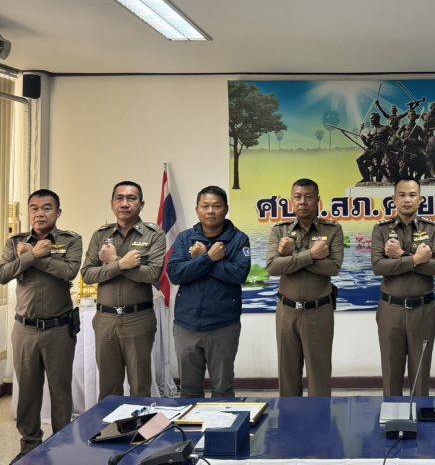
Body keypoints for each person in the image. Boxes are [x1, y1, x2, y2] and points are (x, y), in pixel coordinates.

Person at [0, 190, 81, 463]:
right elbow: (3, 274)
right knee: (28, 392)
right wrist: (31, 255)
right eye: (34, 208)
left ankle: (61, 446)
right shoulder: (16, 242)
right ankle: (29, 447)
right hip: (25, 329)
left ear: (58, 212)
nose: (39, 213)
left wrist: (35, 258)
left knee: (60, 391)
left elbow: (69, 271)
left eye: (47, 208)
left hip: (59, 329)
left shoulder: (70, 240)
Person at [81, 181, 166, 400]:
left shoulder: (154, 234)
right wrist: (120, 264)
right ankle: (111, 423)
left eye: (131, 198)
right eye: (119, 198)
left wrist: (112, 260)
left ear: (141, 204)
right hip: (105, 319)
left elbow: (152, 275)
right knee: (109, 388)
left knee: (140, 386)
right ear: (112, 203)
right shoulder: (101, 235)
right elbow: (87, 274)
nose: (125, 203)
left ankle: (141, 424)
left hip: (138, 318)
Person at [168, 185, 250, 398]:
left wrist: (203, 259)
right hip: (186, 325)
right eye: (205, 206)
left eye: (216, 206)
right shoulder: (185, 238)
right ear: (197, 209)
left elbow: (239, 274)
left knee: (223, 389)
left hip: (223, 325)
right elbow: (175, 274)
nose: (211, 211)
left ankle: (222, 421)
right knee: (189, 390)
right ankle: (191, 422)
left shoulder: (239, 239)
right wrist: (209, 258)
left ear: (226, 209)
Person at [266, 178, 344, 396]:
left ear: (318, 201)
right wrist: (311, 254)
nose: (303, 202)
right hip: (286, 312)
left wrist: (291, 256)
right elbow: (273, 267)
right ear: (291, 201)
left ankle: (319, 418)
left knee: (319, 376)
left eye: (309, 197)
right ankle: (290, 418)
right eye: (298, 197)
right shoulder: (279, 231)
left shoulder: (333, 230)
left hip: (319, 311)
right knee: (288, 376)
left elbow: (333, 267)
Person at [371, 177, 435, 396]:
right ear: (394, 199)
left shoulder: (432, 228)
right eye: (402, 195)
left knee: (420, 377)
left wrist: (401, 255)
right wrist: (416, 259)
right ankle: (392, 414)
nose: (407, 200)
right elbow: (378, 266)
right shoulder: (381, 229)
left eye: (412, 195)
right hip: (390, 311)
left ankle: (419, 415)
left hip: (423, 311)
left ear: (420, 199)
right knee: (391, 374)